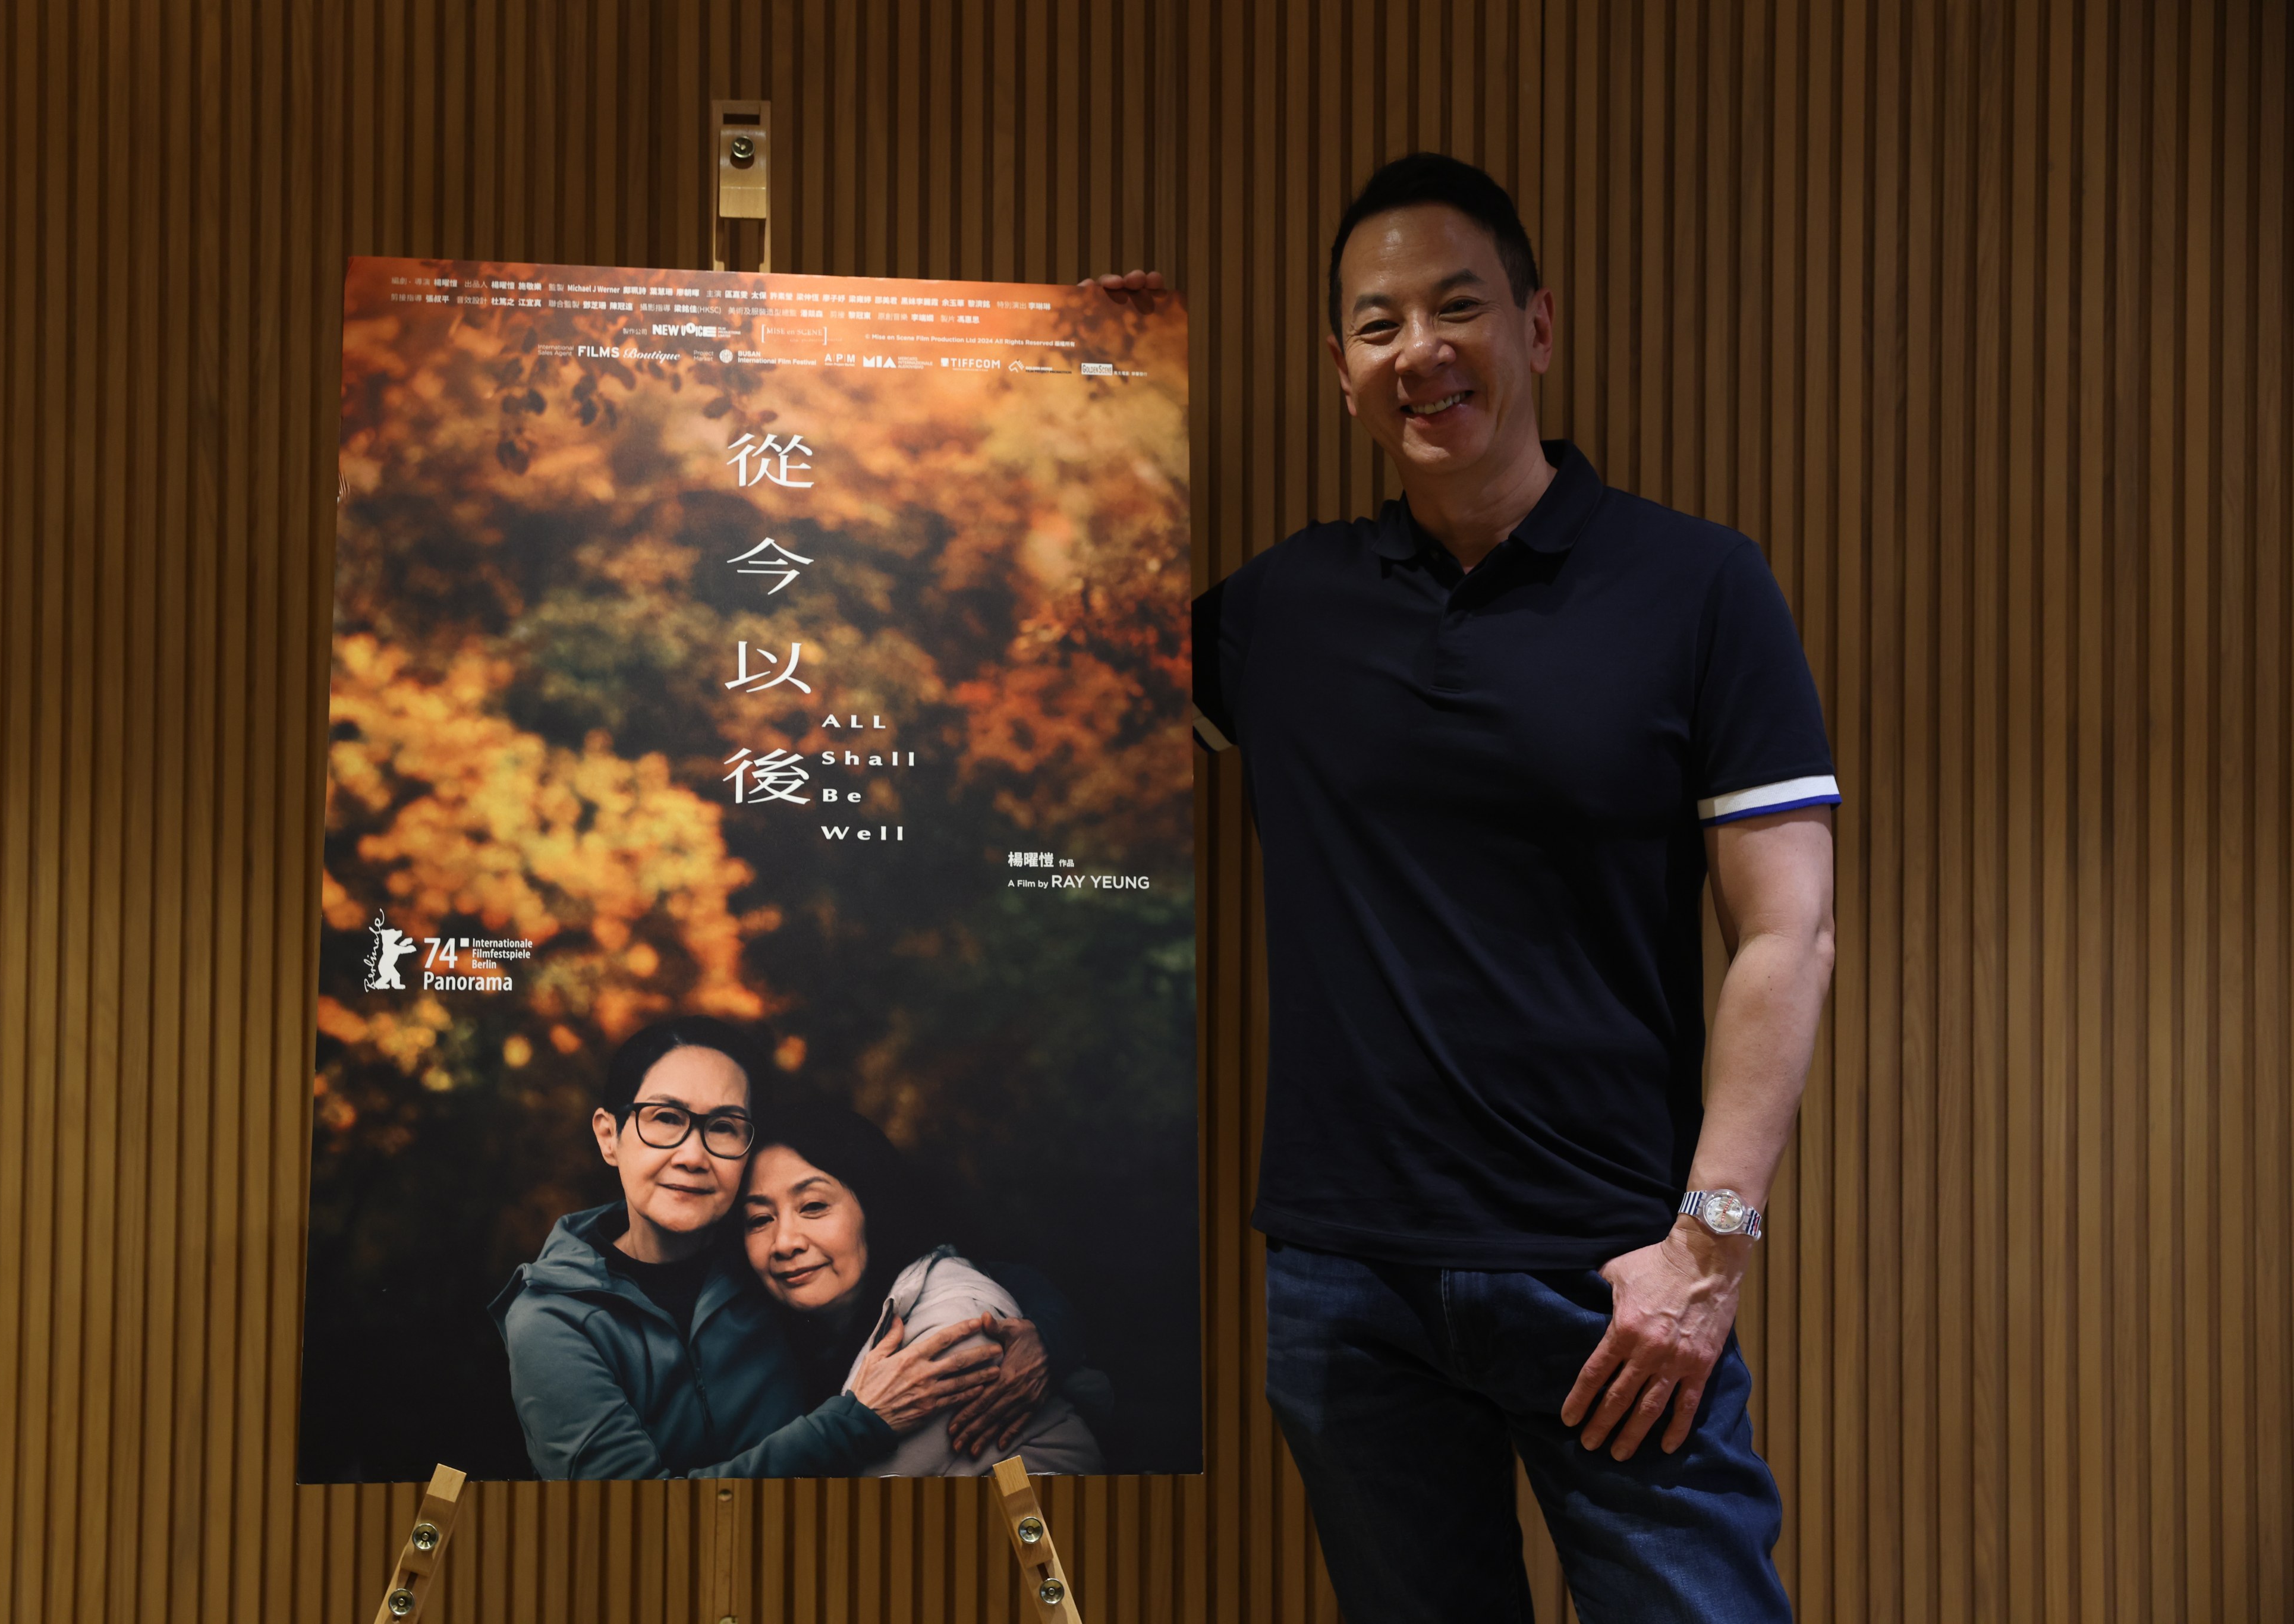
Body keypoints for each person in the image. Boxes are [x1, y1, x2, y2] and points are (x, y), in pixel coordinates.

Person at [1090, 152, 1837, 1620]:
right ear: (1340, 369)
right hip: (1345, 1288)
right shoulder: (1281, 613)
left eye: (1458, 307)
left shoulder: (1697, 586)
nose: (1421, 352)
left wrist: (1708, 1246)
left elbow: (1787, 929)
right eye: (1379, 325)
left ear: (1535, 327)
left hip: (1614, 1279)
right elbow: (1040, 664)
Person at [490, 1017, 1057, 1479]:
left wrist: (1043, 1336)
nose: (693, 1155)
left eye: (724, 1127)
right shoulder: (552, 1318)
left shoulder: (760, 1254)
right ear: (609, 1136)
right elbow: (633, 1526)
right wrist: (855, 1422)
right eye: (665, 1119)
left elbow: (930, 1273)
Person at [739, 1093, 1106, 1477]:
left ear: (873, 1209)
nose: (784, 1243)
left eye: (813, 1206)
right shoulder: (786, 1333)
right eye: (759, 1219)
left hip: (1033, 1532)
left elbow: (846, 1513)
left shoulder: (952, 1335)